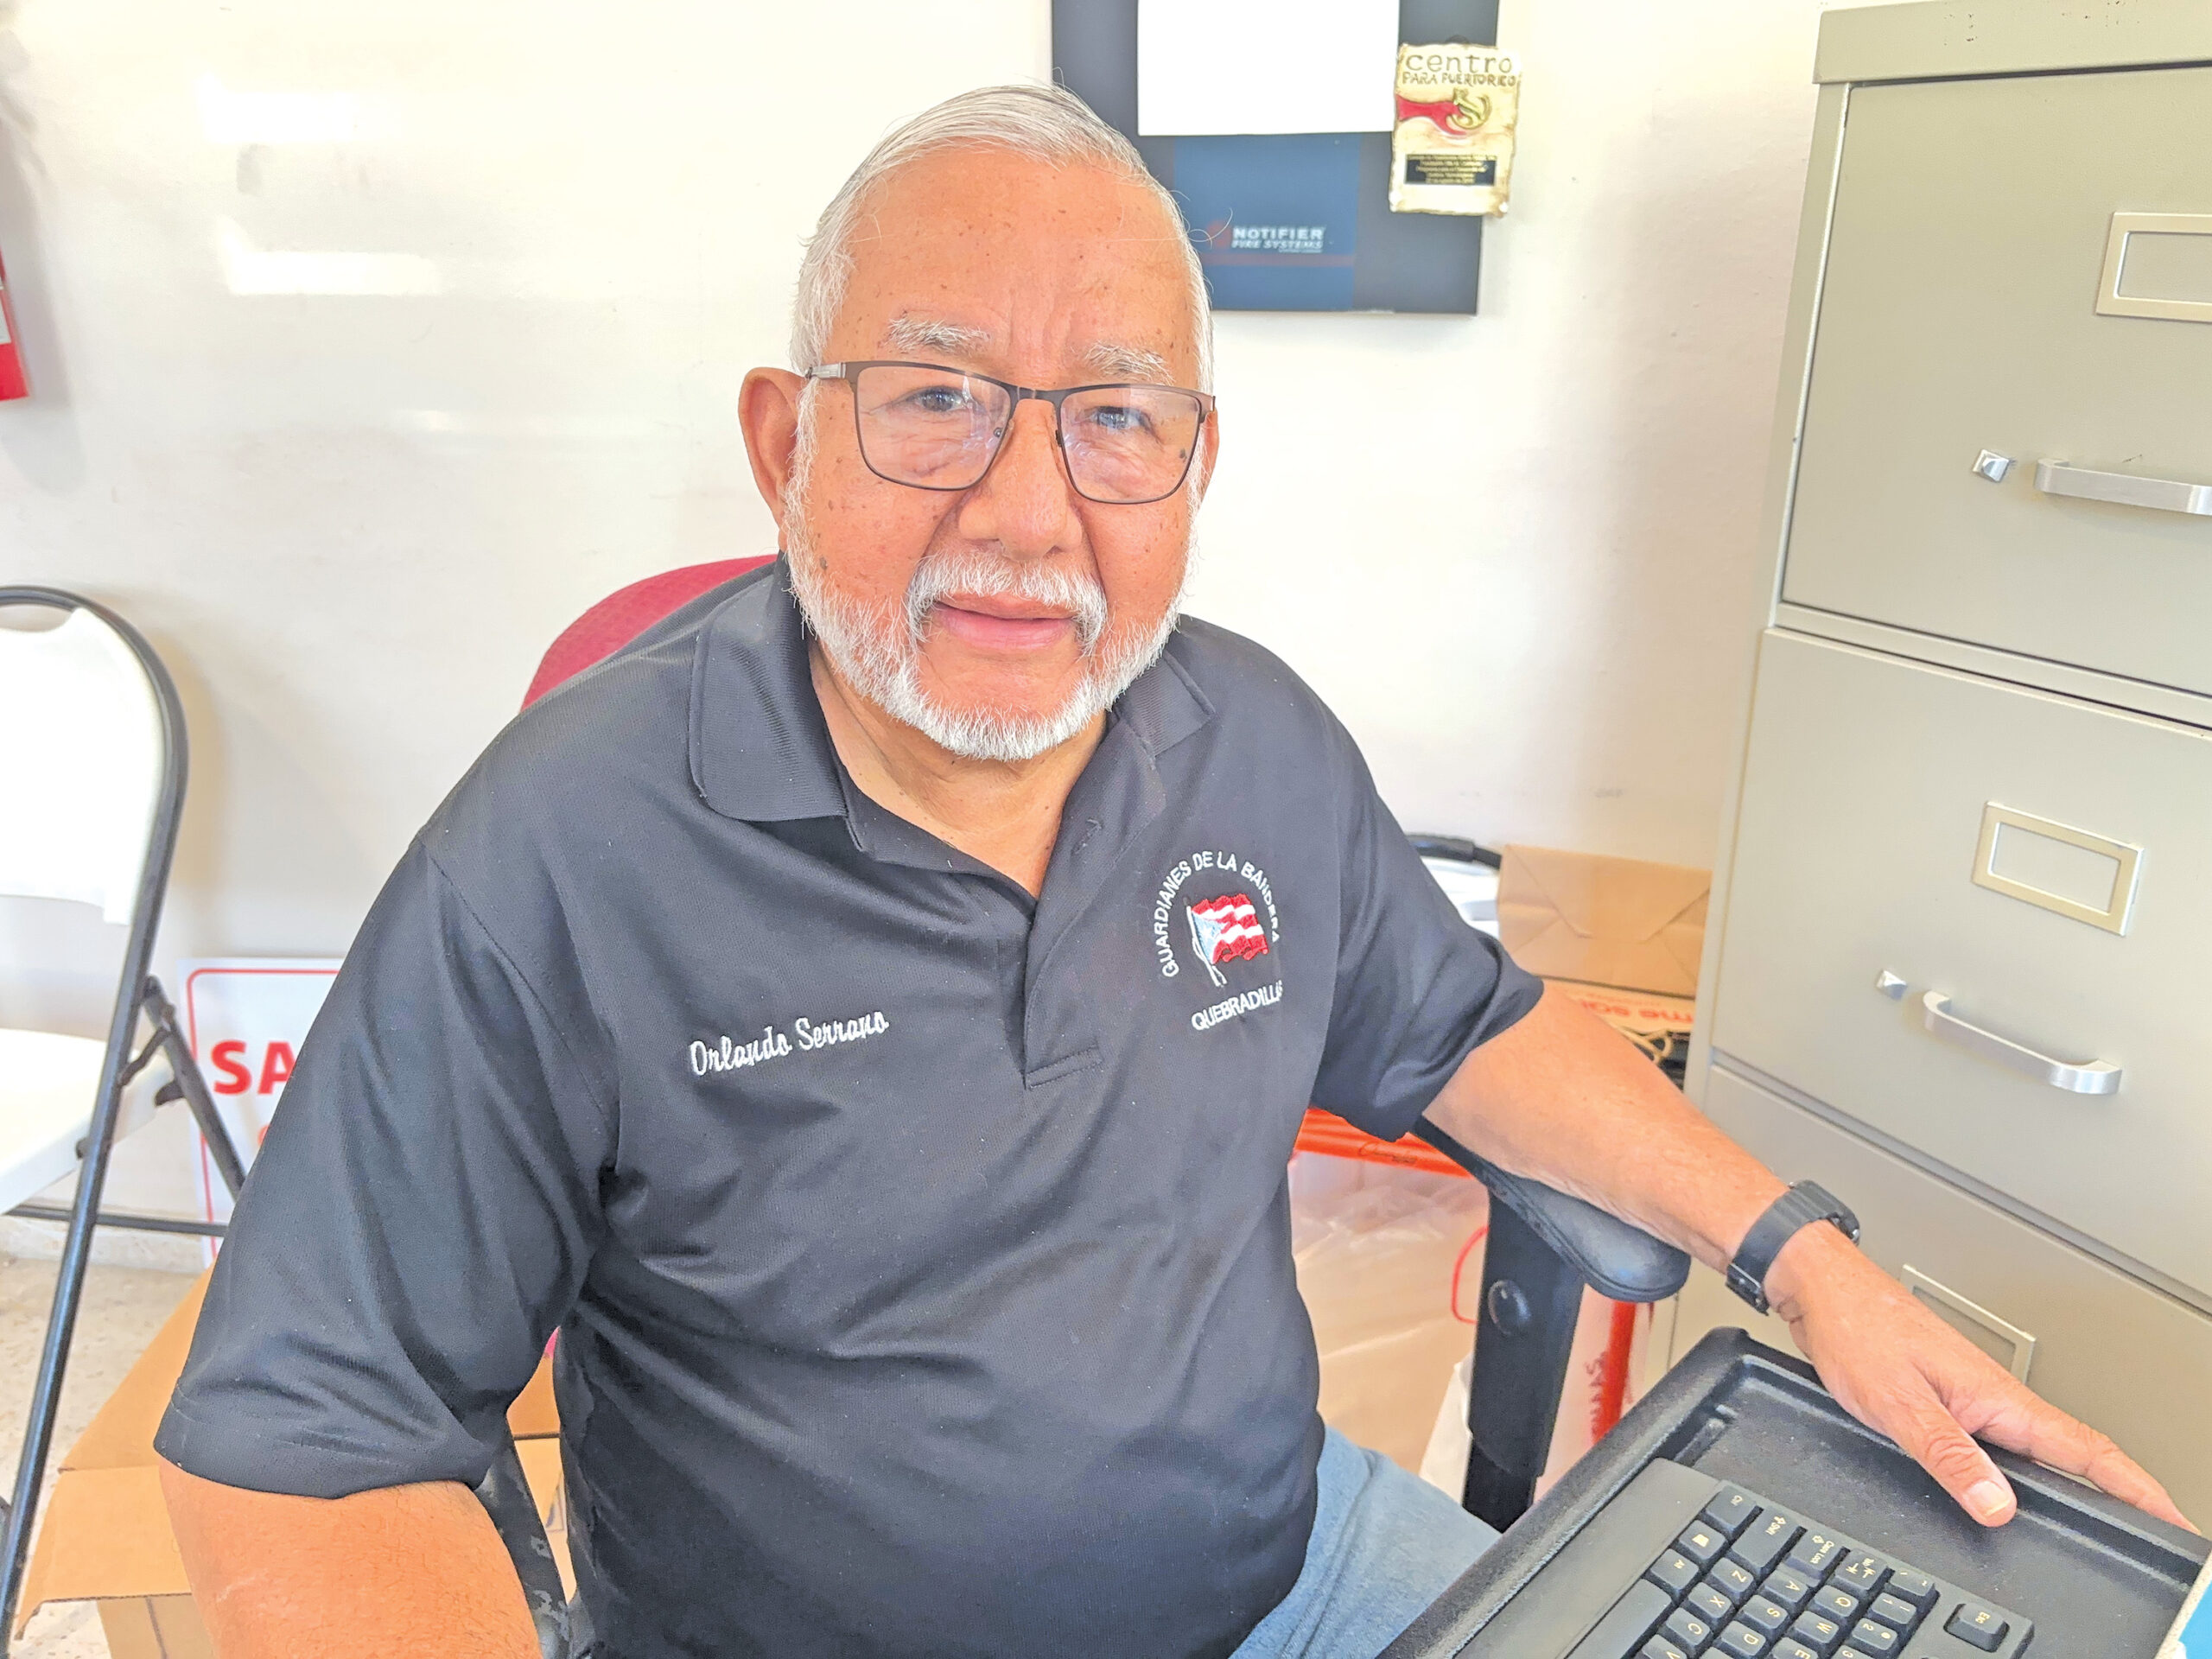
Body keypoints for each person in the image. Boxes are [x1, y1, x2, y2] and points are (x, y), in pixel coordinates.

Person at [155, 84, 2188, 1659]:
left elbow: (1464, 1029)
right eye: (937, 399)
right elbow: (309, 1457)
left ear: (1190, 467)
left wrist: (1805, 1261)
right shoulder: (559, 854)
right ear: (785, 445)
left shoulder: (1251, 742)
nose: (1030, 512)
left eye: (1113, 419)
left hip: (1288, 1571)